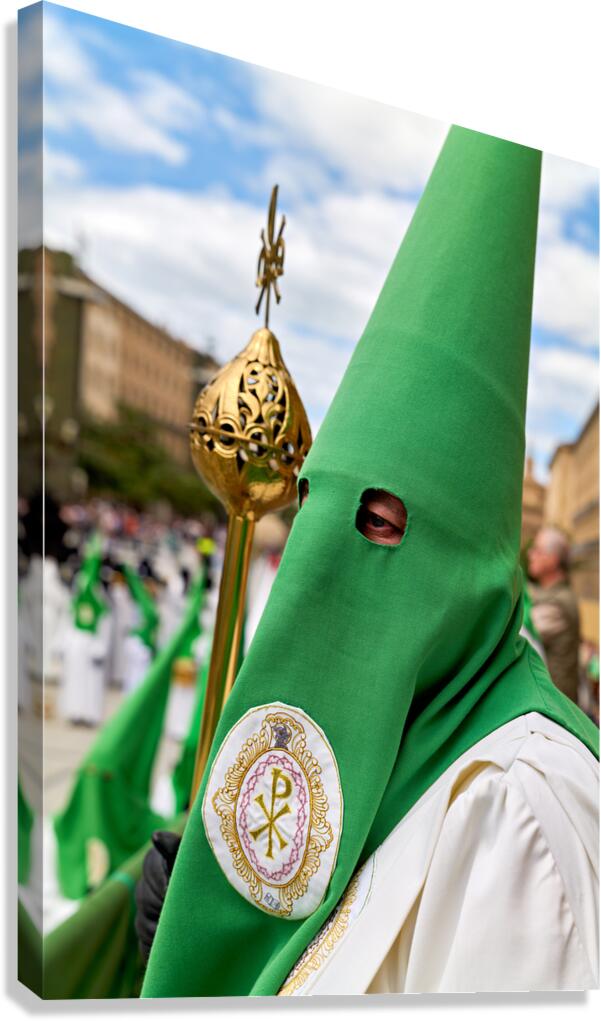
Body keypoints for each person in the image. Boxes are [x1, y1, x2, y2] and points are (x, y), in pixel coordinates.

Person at [136, 127, 599, 996]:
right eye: (316, 505)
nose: (334, 551)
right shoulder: (384, 731)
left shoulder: (517, 805)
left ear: (474, 557)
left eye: (383, 523)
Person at [527, 526, 580, 703]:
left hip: (555, 704)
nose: (530, 554)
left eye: (537, 550)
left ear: (552, 560)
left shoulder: (559, 603)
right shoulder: (554, 593)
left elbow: (523, 633)